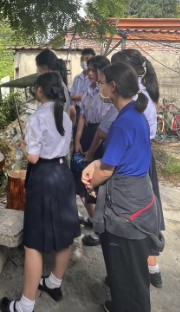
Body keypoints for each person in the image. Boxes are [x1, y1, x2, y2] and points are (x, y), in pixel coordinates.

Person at [82, 63, 164, 312]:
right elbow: (116, 158)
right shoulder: (135, 115)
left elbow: (107, 171)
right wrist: (95, 163)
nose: (99, 86)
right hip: (139, 196)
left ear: (113, 87)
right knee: (130, 268)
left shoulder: (122, 123)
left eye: (102, 82)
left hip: (126, 206)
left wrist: (90, 183)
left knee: (128, 270)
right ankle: (121, 303)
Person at [0, 72, 80, 312]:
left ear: (40, 91)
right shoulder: (65, 116)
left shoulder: (37, 117)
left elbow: (34, 158)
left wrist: (24, 147)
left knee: (33, 242)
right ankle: (54, 283)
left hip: (44, 175)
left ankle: (26, 305)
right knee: (64, 234)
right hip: (62, 173)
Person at [110, 49, 165, 288]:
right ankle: (150, 269)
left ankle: (146, 269)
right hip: (139, 155)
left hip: (135, 159)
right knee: (141, 214)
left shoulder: (137, 101)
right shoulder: (140, 96)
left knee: (137, 217)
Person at [72, 55, 114, 246]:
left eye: (92, 70)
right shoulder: (88, 89)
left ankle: (99, 230)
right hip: (87, 135)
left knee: (94, 185)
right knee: (80, 181)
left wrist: (91, 151)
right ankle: (92, 218)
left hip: (99, 139)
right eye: (88, 69)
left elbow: (103, 127)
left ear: (102, 72)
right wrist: (78, 139)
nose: (88, 73)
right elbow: (82, 115)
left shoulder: (106, 94)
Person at [35, 49, 74, 120]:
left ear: (45, 67)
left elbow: (56, 115)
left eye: (38, 67)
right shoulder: (55, 84)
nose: (38, 71)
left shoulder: (56, 86)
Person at [70, 48, 96, 118]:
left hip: (89, 111)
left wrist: (77, 97)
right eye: (82, 59)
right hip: (77, 110)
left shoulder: (95, 79)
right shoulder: (77, 78)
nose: (84, 62)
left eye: (87, 59)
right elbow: (72, 96)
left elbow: (92, 97)